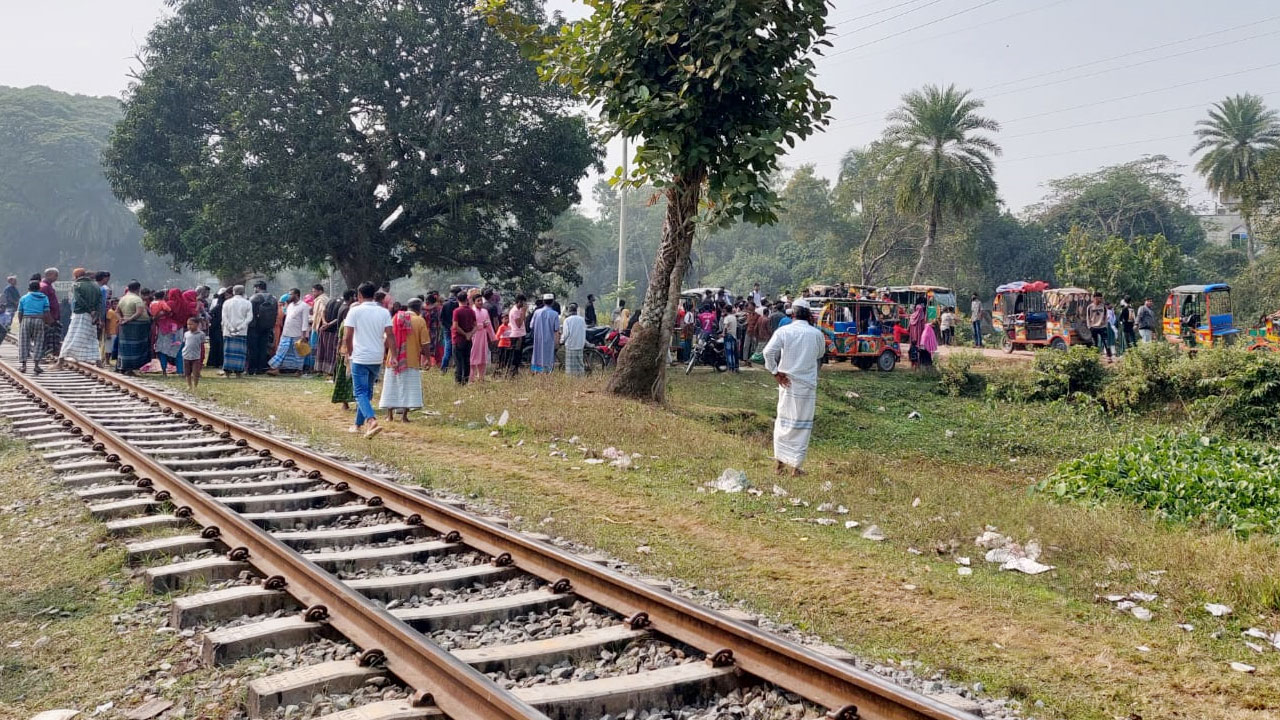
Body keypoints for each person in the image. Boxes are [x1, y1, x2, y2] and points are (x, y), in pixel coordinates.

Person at [762, 304, 827, 477]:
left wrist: (775, 373)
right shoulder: (816, 334)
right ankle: (795, 468)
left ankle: (779, 465)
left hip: (786, 384)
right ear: (809, 316)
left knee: (783, 422)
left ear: (793, 315)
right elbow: (820, 354)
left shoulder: (784, 331)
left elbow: (767, 352)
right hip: (806, 386)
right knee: (802, 427)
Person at [341, 282, 393, 437]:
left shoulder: (355, 311)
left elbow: (348, 336)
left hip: (359, 356)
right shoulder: (383, 312)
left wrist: (350, 353)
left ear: (359, 295)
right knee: (367, 392)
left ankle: (371, 421)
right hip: (376, 356)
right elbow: (390, 335)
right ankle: (357, 425)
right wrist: (394, 355)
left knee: (359, 392)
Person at [379, 298, 429, 422]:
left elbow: (386, 339)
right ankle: (404, 417)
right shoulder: (419, 321)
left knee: (391, 386)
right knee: (409, 388)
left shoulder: (396, 318)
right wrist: (427, 358)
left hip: (394, 359)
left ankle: (389, 416)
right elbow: (425, 343)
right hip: (410, 360)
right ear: (419, 308)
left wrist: (386, 354)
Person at [58, 268, 103, 366]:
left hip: (80, 314)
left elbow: (79, 300)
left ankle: (60, 361)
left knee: (71, 336)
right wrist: (96, 313)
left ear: (76, 276)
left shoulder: (76, 285)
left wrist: (89, 310)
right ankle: (98, 362)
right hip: (92, 316)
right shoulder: (96, 286)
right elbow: (100, 302)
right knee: (92, 338)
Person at [269, 289, 310, 374]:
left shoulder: (304, 306)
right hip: (286, 333)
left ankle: (299, 370)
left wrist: (303, 336)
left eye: (290, 294)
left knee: (298, 353)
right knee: (281, 351)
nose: (289, 296)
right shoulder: (290, 305)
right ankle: (276, 368)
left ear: (296, 295)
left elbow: (305, 322)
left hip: (297, 334)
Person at [17, 279, 52, 374]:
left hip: (26, 319)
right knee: (38, 342)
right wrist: (48, 322)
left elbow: (20, 312)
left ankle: (24, 365)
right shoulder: (44, 297)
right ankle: (36, 365)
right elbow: (47, 312)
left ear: (29, 288)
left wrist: (21, 323)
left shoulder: (24, 298)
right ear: (39, 289)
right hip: (39, 320)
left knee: (23, 342)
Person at [116, 281, 151, 374]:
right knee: (136, 348)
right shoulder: (137, 299)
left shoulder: (123, 298)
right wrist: (129, 319)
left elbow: (117, 311)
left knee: (125, 347)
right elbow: (139, 312)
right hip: (137, 327)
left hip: (125, 325)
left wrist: (121, 319)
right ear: (138, 289)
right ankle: (130, 368)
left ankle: (123, 366)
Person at [331, 289, 358, 408]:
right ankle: (355, 402)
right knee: (353, 379)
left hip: (344, 353)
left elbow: (340, 338)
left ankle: (345, 403)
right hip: (352, 353)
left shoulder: (345, 322)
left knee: (344, 378)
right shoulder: (353, 323)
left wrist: (338, 351)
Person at [220, 285, 252, 376]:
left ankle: (227, 373)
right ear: (243, 292)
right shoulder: (247, 303)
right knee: (240, 353)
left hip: (228, 331)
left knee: (228, 352)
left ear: (233, 292)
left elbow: (224, 317)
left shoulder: (227, 302)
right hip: (241, 331)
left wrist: (230, 328)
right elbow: (249, 318)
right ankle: (238, 372)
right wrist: (240, 327)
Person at [248, 281, 277, 374]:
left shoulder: (254, 298)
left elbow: (250, 313)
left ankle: (252, 368)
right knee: (263, 348)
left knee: (253, 348)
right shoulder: (273, 298)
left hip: (255, 327)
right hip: (267, 327)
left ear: (257, 287)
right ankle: (261, 368)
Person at [469, 291, 497, 382]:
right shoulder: (471, 311)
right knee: (473, 357)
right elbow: (471, 326)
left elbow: (489, 325)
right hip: (474, 336)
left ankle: (481, 377)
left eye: (481, 300)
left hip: (483, 337)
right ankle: (471, 377)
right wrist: (482, 326)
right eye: (478, 301)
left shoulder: (485, 311)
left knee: (483, 357)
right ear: (474, 302)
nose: (480, 302)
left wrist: (493, 337)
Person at [450, 290, 477, 384]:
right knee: (467, 361)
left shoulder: (456, 311)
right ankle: (465, 380)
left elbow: (455, 326)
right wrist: (469, 334)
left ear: (458, 299)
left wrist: (465, 334)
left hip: (458, 339)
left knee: (458, 362)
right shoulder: (471, 311)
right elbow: (476, 326)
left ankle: (458, 382)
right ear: (466, 299)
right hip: (468, 340)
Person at [530, 296, 560, 373]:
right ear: (553, 302)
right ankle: (547, 373)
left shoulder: (537, 312)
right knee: (548, 357)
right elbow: (556, 330)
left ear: (543, 302)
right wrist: (557, 342)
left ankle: (537, 371)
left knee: (537, 356)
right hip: (549, 340)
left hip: (538, 340)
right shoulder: (555, 314)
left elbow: (531, 325)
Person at [39, 268, 61, 360]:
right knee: (46, 338)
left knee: (52, 339)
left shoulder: (48, 286)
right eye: (55, 275)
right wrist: (48, 318)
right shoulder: (44, 287)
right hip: (48, 318)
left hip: (52, 317)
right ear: (49, 275)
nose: (57, 277)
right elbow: (43, 305)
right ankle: (43, 356)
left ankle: (50, 355)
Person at [1086, 292, 1112, 361]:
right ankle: (1095, 357)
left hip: (1102, 327)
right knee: (1095, 343)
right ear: (1095, 298)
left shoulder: (1103, 306)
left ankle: (1109, 357)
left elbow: (1106, 316)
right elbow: (1088, 317)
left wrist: (1105, 324)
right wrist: (1089, 326)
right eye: (1100, 298)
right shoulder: (1090, 307)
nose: (1101, 299)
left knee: (1106, 342)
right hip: (1093, 327)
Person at [562, 303, 587, 376]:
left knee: (570, 366)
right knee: (579, 364)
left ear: (569, 311)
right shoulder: (582, 319)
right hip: (580, 344)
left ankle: (571, 379)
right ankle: (581, 377)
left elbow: (566, 333)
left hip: (570, 345)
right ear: (576, 311)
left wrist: (562, 341)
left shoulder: (567, 320)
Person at [181, 317, 206, 391]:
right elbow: (185, 343)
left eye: (191, 324)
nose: (189, 326)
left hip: (196, 356)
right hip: (186, 355)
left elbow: (202, 345)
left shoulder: (201, 334)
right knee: (187, 372)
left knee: (196, 373)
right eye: (188, 324)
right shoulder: (186, 334)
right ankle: (189, 385)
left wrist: (201, 355)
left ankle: (195, 386)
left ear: (197, 324)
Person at [439, 290, 460, 373]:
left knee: (447, 348)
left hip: (447, 329)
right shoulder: (459, 304)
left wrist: (447, 326)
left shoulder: (445, 304)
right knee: (457, 347)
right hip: (458, 328)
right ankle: (456, 367)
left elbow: (441, 318)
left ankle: (444, 368)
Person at [507, 294, 527, 376]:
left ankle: (515, 371)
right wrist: (523, 312)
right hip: (517, 335)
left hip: (520, 334)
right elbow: (519, 324)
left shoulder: (518, 310)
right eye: (522, 302)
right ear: (519, 302)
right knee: (516, 354)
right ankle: (512, 372)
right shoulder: (515, 311)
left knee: (518, 354)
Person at [207, 288, 227, 369]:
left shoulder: (218, 305)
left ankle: (213, 362)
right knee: (220, 345)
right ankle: (219, 362)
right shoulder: (222, 305)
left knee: (215, 346)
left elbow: (211, 313)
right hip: (220, 327)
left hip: (215, 327)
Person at [907, 303, 926, 368]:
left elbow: (909, 325)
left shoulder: (912, 315)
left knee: (913, 343)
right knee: (918, 343)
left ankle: (912, 359)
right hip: (919, 332)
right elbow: (923, 326)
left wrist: (908, 329)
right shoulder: (922, 316)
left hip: (912, 332)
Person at [721, 305, 739, 372]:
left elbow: (725, 327)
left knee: (729, 353)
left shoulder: (727, 318)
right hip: (734, 336)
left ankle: (730, 368)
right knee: (734, 352)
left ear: (725, 310)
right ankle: (735, 367)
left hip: (728, 336)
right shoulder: (734, 317)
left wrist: (723, 334)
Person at [103, 298, 120, 364]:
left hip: (116, 332)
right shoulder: (110, 312)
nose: (116, 305)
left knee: (114, 347)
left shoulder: (118, 312)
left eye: (117, 304)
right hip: (111, 332)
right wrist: (108, 333)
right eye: (114, 304)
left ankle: (113, 361)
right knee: (108, 348)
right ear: (111, 305)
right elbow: (107, 322)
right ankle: (107, 361)